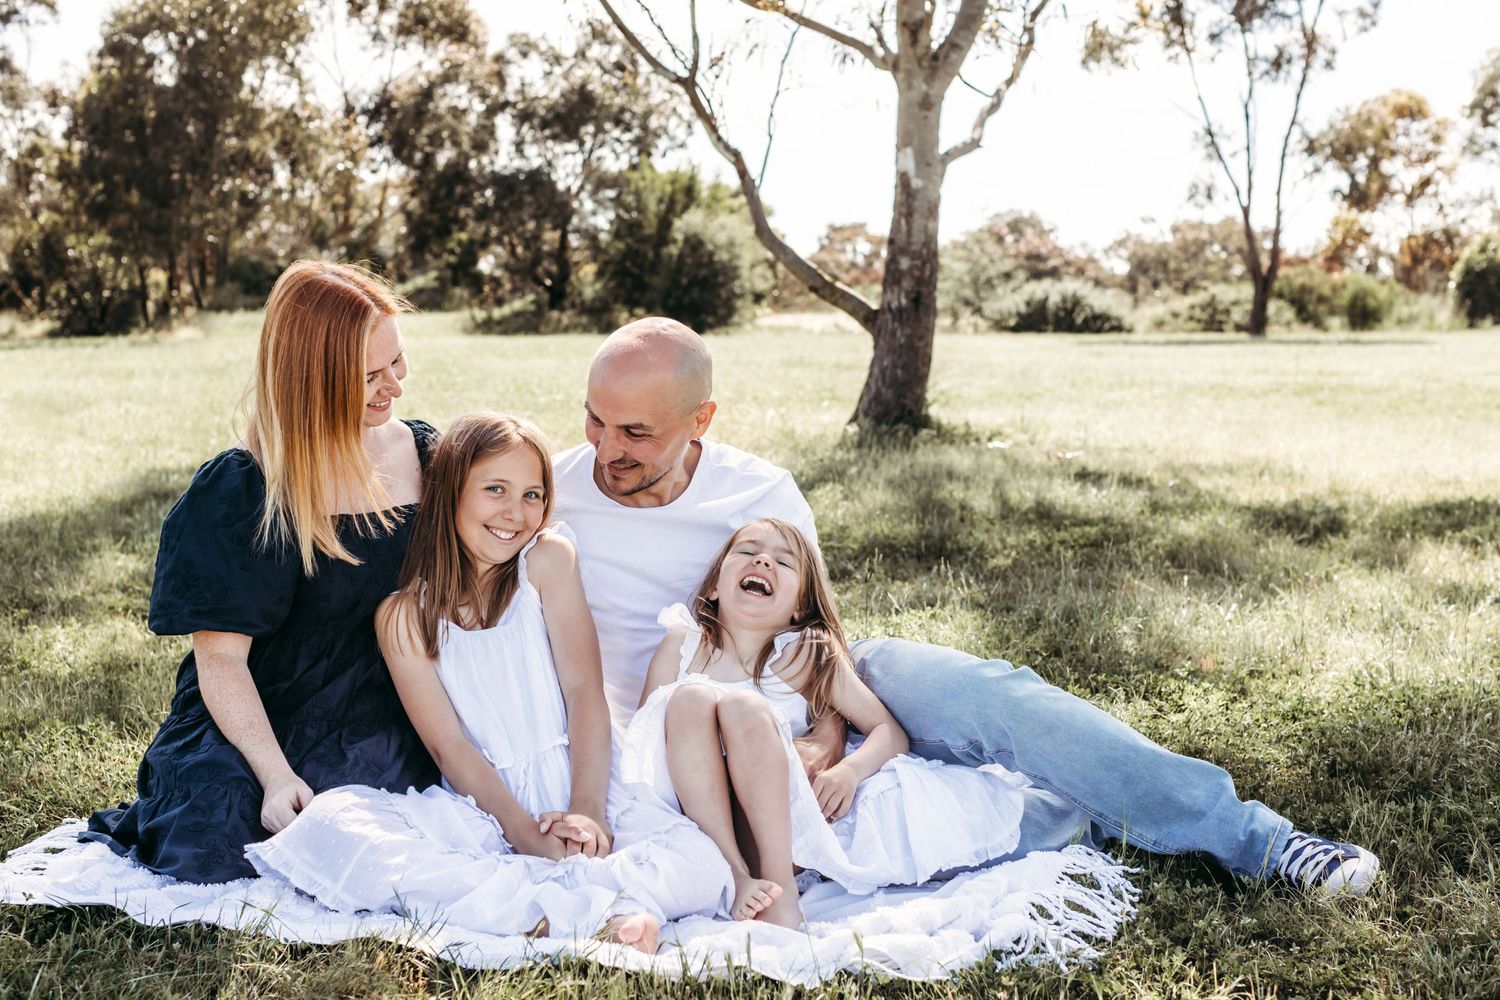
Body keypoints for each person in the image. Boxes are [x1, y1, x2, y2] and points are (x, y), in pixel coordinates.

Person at [552, 316, 1381, 899]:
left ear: (700, 419)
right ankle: (1070, 817)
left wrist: (828, 737)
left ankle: (1263, 842)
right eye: (593, 418)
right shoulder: (551, 494)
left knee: (991, 695)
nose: (605, 449)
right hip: (679, 729)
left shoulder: (758, 490)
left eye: (635, 433)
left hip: (807, 677)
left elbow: (819, 628)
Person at [246, 413, 732, 953]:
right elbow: (448, 745)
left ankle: (560, 905)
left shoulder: (545, 563)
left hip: (585, 773)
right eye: (494, 490)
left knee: (700, 864)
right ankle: (580, 910)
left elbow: (583, 692)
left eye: (532, 495)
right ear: (450, 492)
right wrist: (523, 834)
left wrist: (586, 811)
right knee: (334, 826)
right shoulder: (404, 617)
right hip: (483, 802)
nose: (515, 513)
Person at [82, 261, 440, 883]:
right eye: (370, 376)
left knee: (378, 829)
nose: (395, 387)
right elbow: (221, 660)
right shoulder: (245, 486)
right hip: (262, 710)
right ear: (313, 380)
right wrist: (274, 776)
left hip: (381, 707)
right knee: (215, 837)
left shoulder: (424, 453)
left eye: (398, 361)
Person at [622, 518, 1038, 929]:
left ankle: (779, 889)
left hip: (771, 829)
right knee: (690, 698)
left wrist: (849, 771)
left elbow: (887, 731)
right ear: (714, 586)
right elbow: (643, 741)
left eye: (783, 562)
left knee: (742, 707)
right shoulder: (682, 645)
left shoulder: (801, 654)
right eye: (748, 551)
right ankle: (735, 876)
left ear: (800, 606)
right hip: (696, 828)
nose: (763, 561)